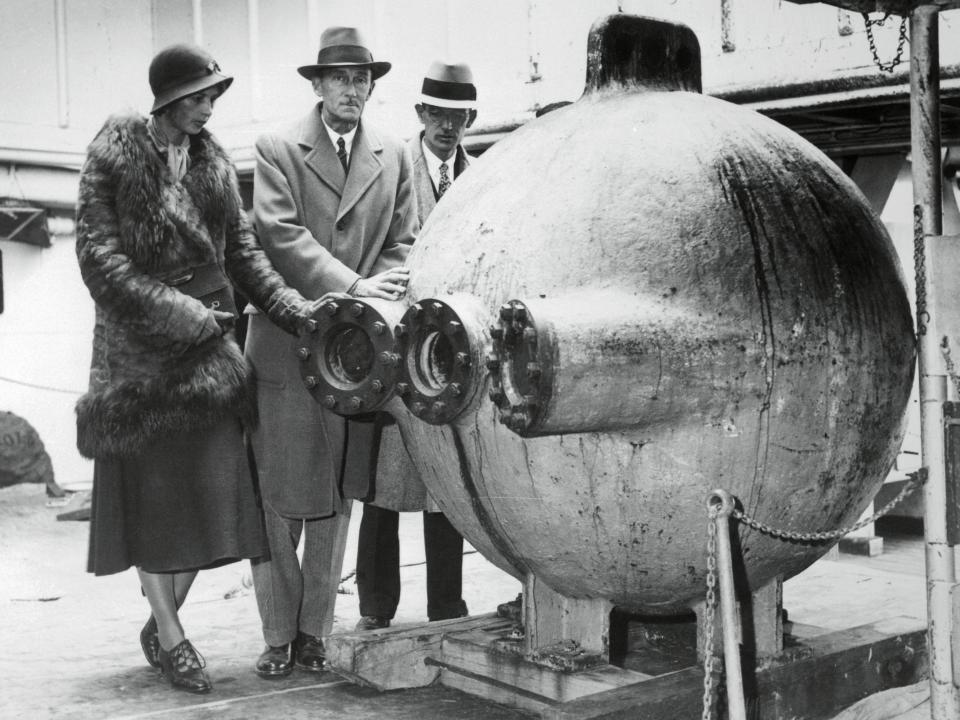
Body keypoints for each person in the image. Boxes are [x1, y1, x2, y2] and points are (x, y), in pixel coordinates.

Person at [75, 44, 315, 694]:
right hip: (142, 360)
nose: (210, 105)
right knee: (155, 506)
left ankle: (161, 622)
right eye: (200, 94)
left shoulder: (211, 161)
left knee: (211, 501)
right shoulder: (113, 158)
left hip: (210, 356)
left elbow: (241, 249)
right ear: (168, 101)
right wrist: (183, 313)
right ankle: (175, 639)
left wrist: (296, 310)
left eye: (214, 93)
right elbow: (101, 263)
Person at [245, 26, 417, 678]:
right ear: (317, 85)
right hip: (287, 343)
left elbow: (404, 241)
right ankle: (276, 633)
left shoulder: (393, 153)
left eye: (364, 77)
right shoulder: (277, 148)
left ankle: (314, 632)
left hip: (353, 350)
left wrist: (375, 294)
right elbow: (280, 236)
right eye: (342, 78)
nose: (355, 88)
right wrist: (353, 286)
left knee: (336, 497)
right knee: (279, 499)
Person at [353, 61, 478, 632]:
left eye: (458, 116)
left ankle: (446, 606)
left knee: (447, 486)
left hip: (449, 352)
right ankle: (375, 609)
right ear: (420, 115)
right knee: (384, 488)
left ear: (469, 119)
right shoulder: (390, 167)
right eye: (437, 114)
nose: (447, 126)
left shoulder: (478, 179)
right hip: (394, 344)